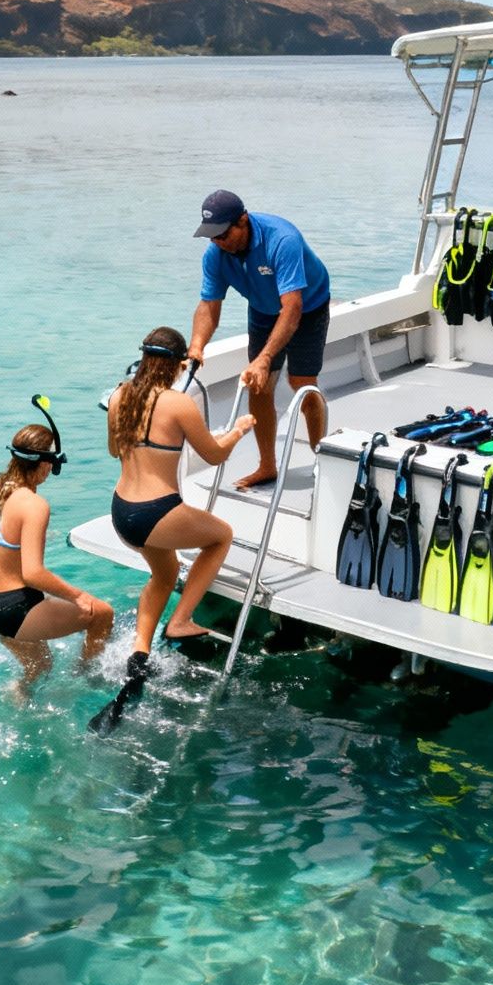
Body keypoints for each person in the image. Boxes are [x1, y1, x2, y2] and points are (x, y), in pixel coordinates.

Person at [107, 326, 255, 657]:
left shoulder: (119, 396)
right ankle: (180, 620)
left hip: (121, 513)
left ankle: (140, 650)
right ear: (178, 365)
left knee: (166, 573)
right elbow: (215, 455)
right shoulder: (179, 404)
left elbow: (114, 451)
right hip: (156, 511)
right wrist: (238, 431)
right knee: (220, 537)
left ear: (143, 359)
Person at [0, 413, 114, 699]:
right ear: (44, 464)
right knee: (102, 613)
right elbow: (33, 573)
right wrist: (77, 596)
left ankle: (18, 693)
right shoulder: (34, 505)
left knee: (41, 665)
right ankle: (86, 680)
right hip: (18, 608)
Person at [188, 188, 332, 490]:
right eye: (211, 236)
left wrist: (265, 359)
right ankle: (267, 465)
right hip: (264, 309)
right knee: (258, 385)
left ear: (243, 221)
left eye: (223, 235)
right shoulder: (216, 255)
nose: (217, 242)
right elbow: (208, 307)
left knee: (302, 383)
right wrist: (196, 347)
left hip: (307, 306)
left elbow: (292, 310)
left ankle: (323, 459)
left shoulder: (282, 240)